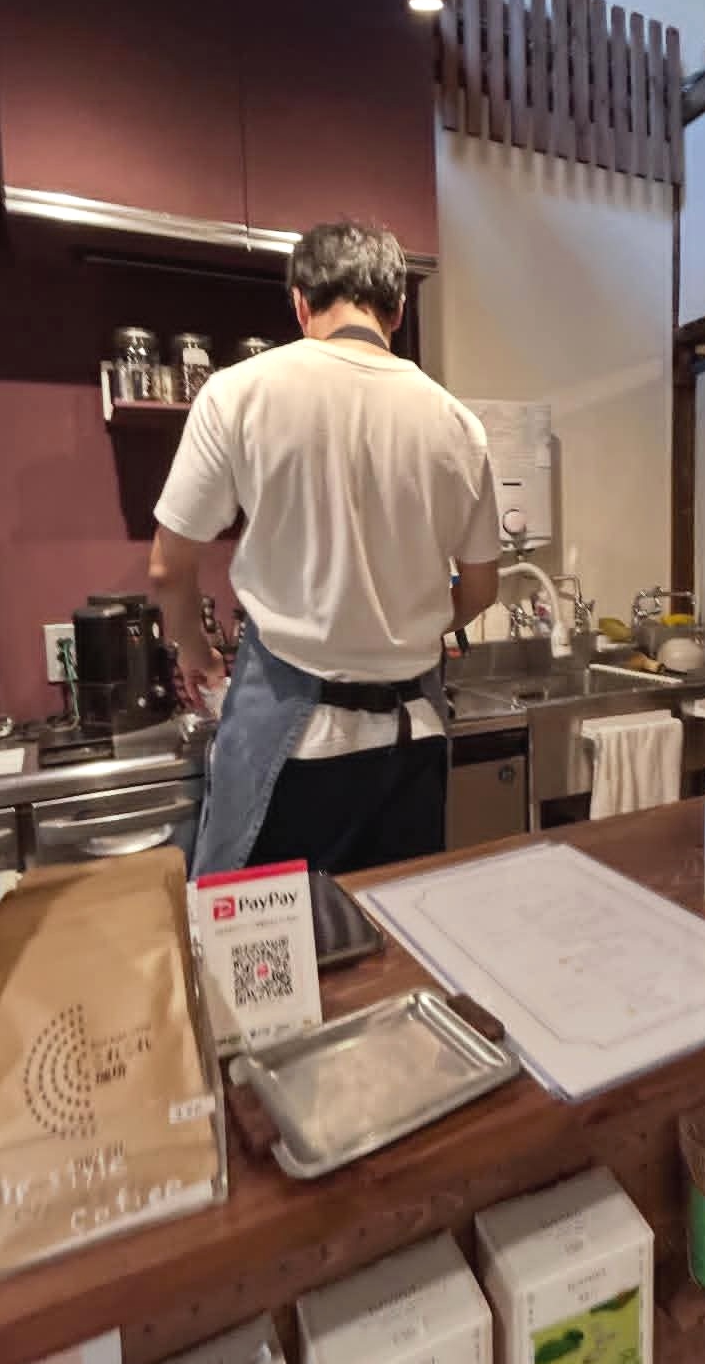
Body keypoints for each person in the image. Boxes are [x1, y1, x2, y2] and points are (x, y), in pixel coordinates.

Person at [149, 220, 500, 877]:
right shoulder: (458, 424)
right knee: (393, 927)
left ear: (301, 304)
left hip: (290, 743)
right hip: (412, 739)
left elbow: (169, 568)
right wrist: (408, 622)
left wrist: (194, 650)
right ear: (398, 309)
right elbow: (480, 590)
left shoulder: (239, 392)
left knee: (269, 936)